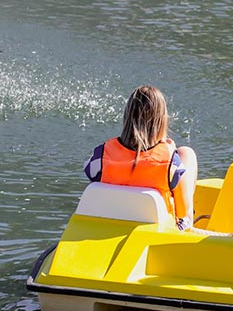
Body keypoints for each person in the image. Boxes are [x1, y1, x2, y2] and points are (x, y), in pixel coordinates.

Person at [84, 85, 198, 231]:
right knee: (186, 153)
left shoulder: (101, 156)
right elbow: (180, 212)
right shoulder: (171, 163)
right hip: (159, 226)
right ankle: (192, 221)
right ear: (162, 121)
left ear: (127, 117)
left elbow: (90, 174)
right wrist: (169, 149)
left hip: (111, 220)